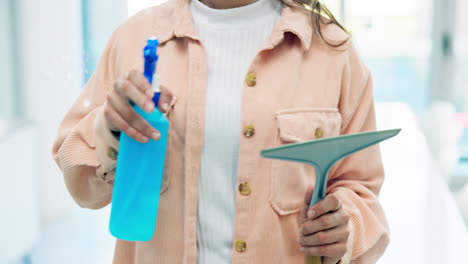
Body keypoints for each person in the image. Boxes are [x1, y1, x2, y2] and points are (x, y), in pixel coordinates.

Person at [52, 0, 389, 263]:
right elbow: (81, 182)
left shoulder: (333, 51)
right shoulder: (133, 39)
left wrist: (345, 227)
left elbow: (361, 188)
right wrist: (111, 130)